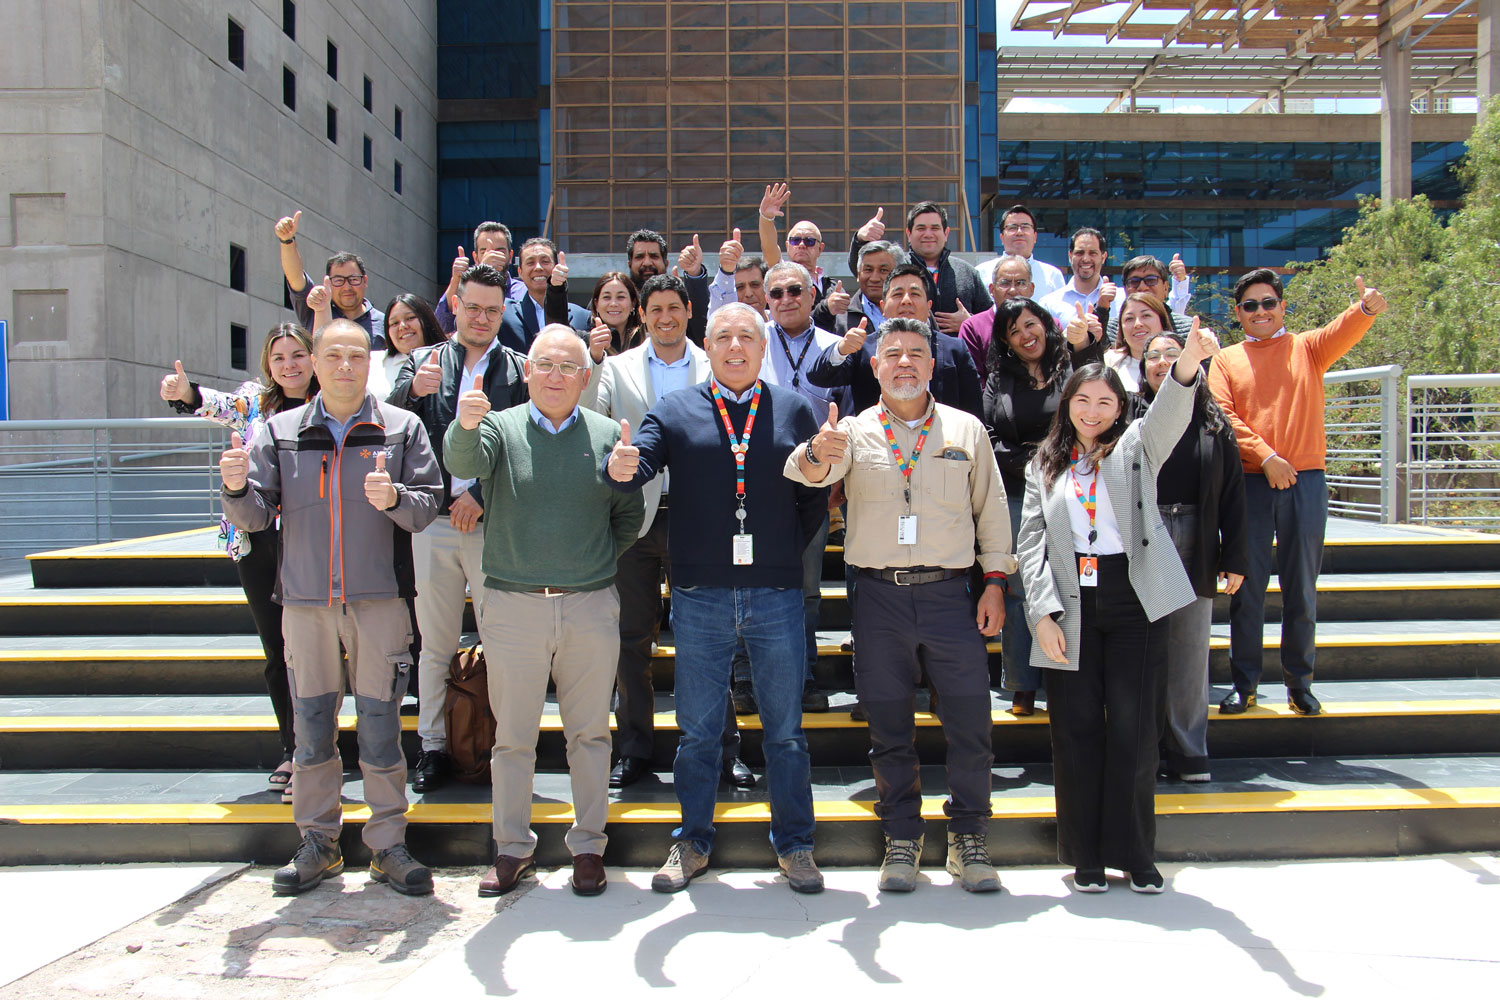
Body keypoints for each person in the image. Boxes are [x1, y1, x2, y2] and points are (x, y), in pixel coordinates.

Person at [786, 317, 1015, 893]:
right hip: (878, 598)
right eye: (892, 354)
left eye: (916, 353)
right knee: (889, 728)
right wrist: (816, 450)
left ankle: (969, 838)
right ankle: (902, 838)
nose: (905, 362)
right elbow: (808, 475)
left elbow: (991, 511)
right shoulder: (852, 430)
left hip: (951, 597)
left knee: (971, 725)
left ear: (933, 365)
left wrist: (995, 582)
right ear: (875, 365)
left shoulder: (966, 429)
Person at [605, 302, 827, 895]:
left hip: (775, 593)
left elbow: (812, 497)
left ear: (762, 347)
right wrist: (621, 466)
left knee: (785, 732)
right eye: (723, 336)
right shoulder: (675, 408)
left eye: (747, 336)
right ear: (707, 346)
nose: (735, 346)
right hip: (700, 594)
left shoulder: (793, 408)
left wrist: (781, 550)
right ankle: (693, 841)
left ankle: (796, 844)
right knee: (698, 732)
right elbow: (640, 462)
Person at [219, 318, 441, 896]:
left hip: (380, 601)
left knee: (381, 725)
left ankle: (388, 843)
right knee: (313, 728)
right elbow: (255, 517)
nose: (345, 366)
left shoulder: (402, 427)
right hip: (305, 603)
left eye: (356, 356)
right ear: (314, 364)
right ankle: (318, 841)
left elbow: (426, 507)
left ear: (370, 363)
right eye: (333, 356)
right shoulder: (280, 431)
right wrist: (237, 488)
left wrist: (394, 498)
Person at [444, 325, 645, 898]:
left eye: (569, 368)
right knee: (512, 737)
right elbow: (461, 458)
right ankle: (511, 848)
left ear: (585, 378)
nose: (556, 377)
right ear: (528, 372)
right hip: (513, 605)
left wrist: (590, 560)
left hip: (589, 604)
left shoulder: (606, 433)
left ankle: (589, 847)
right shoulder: (499, 427)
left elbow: (629, 517)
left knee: (590, 734)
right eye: (546, 366)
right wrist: (464, 423)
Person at [1016, 319, 1216, 894]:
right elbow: (1030, 541)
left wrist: (1187, 362)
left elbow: (1170, 413)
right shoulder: (1044, 464)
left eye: (1105, 402)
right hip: (1070, 601)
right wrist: (1042, 614)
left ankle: (1136, 854)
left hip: (1134, 598)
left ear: (1120, 407)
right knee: (1076, 731)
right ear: (1067, 404)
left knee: (1134, 730)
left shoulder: (1134, 448)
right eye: (1083, 400)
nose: (1093, 411)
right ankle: (1084, 856)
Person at [580, 274, 751, 790]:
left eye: (674, 307)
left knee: (709, 638)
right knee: (630, 638)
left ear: (688, 312)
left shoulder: (712, 361)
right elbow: (589, 417)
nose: (665, 317)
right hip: (633, 517)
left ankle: (724, 747)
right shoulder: (617, 368)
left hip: (701, 517)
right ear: (643, 315)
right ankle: (633, 748)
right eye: (654, 309)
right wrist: (592, 362)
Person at [1209, 270, 1387, 717]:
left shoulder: (1307, 347)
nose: (1261, 311)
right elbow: (1223, 416)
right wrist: (1267, 457)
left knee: (1301, 588)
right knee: (1246, 588)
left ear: (1282, 307)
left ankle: (1299, 684)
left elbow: (1343, 329)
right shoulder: (1226, 360)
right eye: (1250, 305)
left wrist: (1365, 308)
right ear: (1238, 314)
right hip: (1250, 483)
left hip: (1305, 481)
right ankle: (1244, 684)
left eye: (1269, 302)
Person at [160, 324, 319, 801]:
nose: (289, 365)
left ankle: (318, 749)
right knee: (277, 650)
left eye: (297, 355)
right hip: (258, 538)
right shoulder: (255, 401)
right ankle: (293, 749)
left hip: (316, 541)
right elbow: (217, 404)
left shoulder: (331, 400)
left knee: (317, 651)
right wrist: (186, 393)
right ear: (268, 365)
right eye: (279, 358)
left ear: (313, 358)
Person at [390, 264, 530, 792]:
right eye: (472, 308)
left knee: (504, 640)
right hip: (433, 523)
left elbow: (525, 447)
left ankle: (502, 744)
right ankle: (432, 747)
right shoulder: (423, 362)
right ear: (456, 305)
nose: (482, 318)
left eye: (493, 310)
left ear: (503, 312)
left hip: (494, 524)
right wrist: (410, 391)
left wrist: (481, 496)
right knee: (435, 642)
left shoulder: (519, 369)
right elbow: (388, 430)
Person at [983, 298, 1105, 717]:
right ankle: (1023, 683)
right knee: (1023, 587)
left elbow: (1097, 406)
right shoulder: (999, 379)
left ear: (1045, 325)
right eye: (1013, 331)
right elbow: (989, 434)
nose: (1025, 335)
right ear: (1005, 341)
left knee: (1074, 582)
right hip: (1020, 490)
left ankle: (1067, 676)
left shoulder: (1070, 366)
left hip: (1074, 488)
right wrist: (1032, 463)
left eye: (1030, 324)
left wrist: (1085, 345)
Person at [1138, 332, 1249, 782]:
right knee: (1142, 650)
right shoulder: (1130, 416)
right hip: (1144, 533)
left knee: (1188, 650)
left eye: (1174, 354)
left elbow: (1234, 493)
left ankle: (1188, 751)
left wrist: (1235, 556)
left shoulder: (1214, 421)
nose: (1163, 362)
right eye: (1154, 356)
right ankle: (1144, 751)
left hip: (1195, 534)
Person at [762, 261, 848, 712]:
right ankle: (748, 679)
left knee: (807, 588)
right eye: (776, 293)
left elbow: (848, 416)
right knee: (753, 584)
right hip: (759, 482)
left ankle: (804, 675)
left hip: (817, 484)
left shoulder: (837, 346)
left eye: (795, 290)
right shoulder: (752, 341)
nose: (786, 299)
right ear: (766, 300)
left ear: (813, 294)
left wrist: (837, 480)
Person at [808, 262, 983, 420]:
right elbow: (818, 377)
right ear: (883, 306)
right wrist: (841, 349)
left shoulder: (955, 349)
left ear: (929, 305)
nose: (906, 301)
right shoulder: (863, 347)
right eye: (898, 294)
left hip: (942, 441)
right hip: (878, 440)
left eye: (915, 294)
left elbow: (974, 412)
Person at [848, 202, 992, 335]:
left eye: (935, 228)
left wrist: (970, 323)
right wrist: (860, 240)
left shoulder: (967, 272)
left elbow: (991, 318)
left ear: (946, 233)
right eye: (921, 228)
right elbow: (864, 272)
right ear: (909, 234)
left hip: (954, 353)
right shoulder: (897, 267)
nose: (928, 234)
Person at [308, 286, 446, 399]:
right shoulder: (371, 361)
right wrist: (322, 310)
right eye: (394, 323)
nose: (403, 326)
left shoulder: (449, 359)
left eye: (410, 318)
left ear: (427, 320)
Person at [274, 210, 386, 348]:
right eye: (339, 280)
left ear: (365, 281)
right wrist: (287, 240)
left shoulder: (385, 324)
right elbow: (295, 277)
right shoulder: (316, 308)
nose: (347, 287)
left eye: (353, 279)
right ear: (329, 283)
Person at [497, 239, 592, 353]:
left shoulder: (582, 316)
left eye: (545, 261)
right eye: (530, 263)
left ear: (556, 267)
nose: (538, 267)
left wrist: (556, 288)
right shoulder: (504, 313)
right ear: (520, 272)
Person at [435, 222, 527, 334]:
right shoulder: (464, 289)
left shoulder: (524, 292)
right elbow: (441, 329)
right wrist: (456, 279)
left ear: (510, 256)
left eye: (500, 252)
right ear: (475, 257)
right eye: (485, 252)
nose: (492, 256)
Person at [960, 254, 1037, 381]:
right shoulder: (972, 328)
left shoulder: (1047, 325)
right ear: (992, 290)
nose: (1012, 290)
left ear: (1031, 289)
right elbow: (972, 382)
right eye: (1005, 283)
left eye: (1020, 283)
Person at [975, 205, 1065, 298]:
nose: (1019, 232)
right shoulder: (981, 272)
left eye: (1025, 227)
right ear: (1001, 237)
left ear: (1035, 236)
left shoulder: (1052, 275)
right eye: (1012, 227)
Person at [1037, 227, 1116, 333]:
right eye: (1080, 253)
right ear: (1070, 256)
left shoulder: (1121, 299)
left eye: (1092, 253)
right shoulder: (1049, 304)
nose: (1086, 259)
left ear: (1103, 257)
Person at [554, 271, 644, 358]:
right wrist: (556, 289)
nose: (613, 304)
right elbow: (558, 330)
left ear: (633, 303)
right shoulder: (583, 341)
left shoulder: (646, 340)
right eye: (606, 297)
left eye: (621, 297)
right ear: (596, 304)